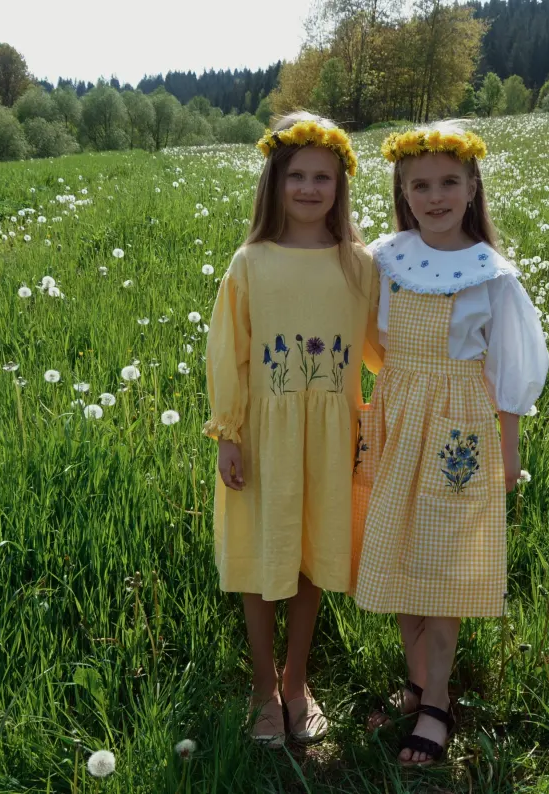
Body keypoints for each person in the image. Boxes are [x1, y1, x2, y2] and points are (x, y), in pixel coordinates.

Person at [351, 123, 549, 765]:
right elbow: (368, 336)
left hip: (457, 427)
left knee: (442, 560)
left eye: (448, 184)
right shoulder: (387, 258)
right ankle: (417, 681)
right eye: (420, 186)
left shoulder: (491, 275)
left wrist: (509, 451)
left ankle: (436, 702)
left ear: (471, 188)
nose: (434, 197)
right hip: (396, 415)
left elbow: (510, 367)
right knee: (399, 547)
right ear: (403, 193)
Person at [204, 112, 382, 747]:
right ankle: (262, 687)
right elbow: (229, 351)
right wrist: (229, 432)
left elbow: (382, 349)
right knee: (263, 558)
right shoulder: (251, 262)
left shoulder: (359, 265)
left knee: (310, 556)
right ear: (274, 182)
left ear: (341, 185)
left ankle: (297, 679)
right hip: (264, 437)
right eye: (297, 176)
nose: (309, 188)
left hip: (332, 439)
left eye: (322, 177)